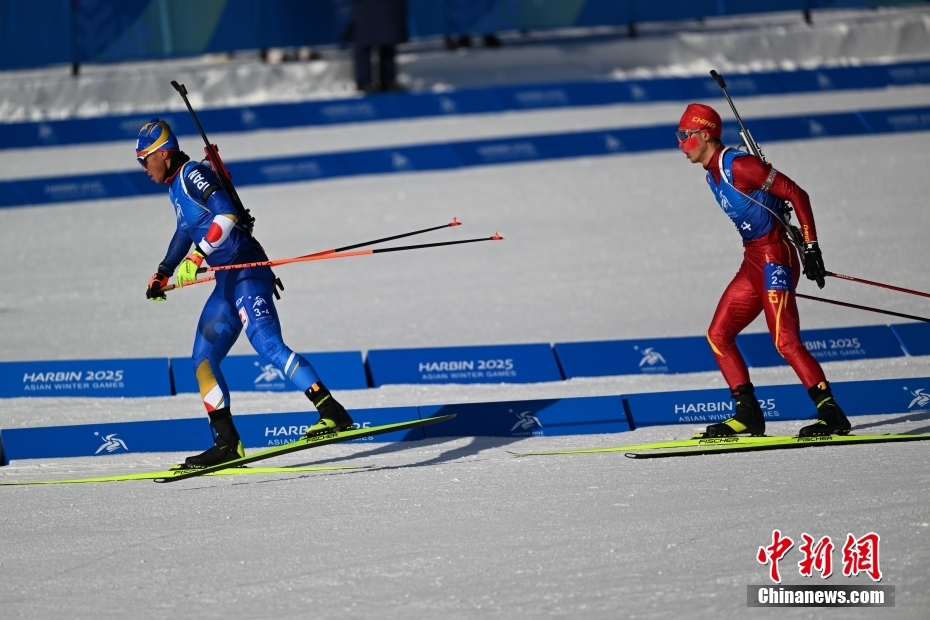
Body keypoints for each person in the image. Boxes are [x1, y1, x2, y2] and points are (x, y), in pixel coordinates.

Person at [136, 119, 354, 467]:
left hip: (247, 270)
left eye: (144, 159)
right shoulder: (174, 186)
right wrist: (164, 270)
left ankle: (332, 410)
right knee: (202, 360)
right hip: (226, 282)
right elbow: (184, 230)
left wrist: (197, 255)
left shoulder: (193, 174)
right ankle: (227, 444)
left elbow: (227, 214)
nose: (143, 168)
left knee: (266, 343)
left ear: (162, 154)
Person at [676, 103, 851, 438]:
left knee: (785, 340)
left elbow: (797, 194)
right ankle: (748, 414)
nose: (681, 144)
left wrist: (811, 247)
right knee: (718, 335)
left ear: (705, 134)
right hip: (753, 258)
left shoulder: (740, 165)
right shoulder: (711, 172)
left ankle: (831, 413)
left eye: (686, 136)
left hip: (776, 257)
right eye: (679, 136)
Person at [351, 0, 407, 93]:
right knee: (365, 44)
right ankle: (367, 82)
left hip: (386, 7)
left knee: (387, 41)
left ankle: (387, 81)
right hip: (367, 8)